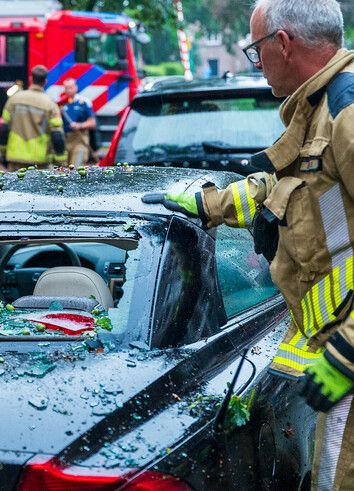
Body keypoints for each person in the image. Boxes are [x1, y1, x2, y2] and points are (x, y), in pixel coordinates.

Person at [146, 1, 353, 488]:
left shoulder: (347, 112)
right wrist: (207, 204)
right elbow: (281, 189)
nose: (255, 65)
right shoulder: (317, 110)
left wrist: (347, 353)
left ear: (283, 43)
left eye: (257, 50)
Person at [0, 65, 66, 171]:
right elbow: (57, 136)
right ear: (45, 81)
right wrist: (60, 161)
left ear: (31, 79)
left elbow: (3, 130)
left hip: (15, 159)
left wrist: (4, 154)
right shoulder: (51, 105)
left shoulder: (14, 100)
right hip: (39, 162)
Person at [58, 78, 96, 167]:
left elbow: (92, 122)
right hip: (65, 140)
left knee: (76, 168)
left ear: (76, 87)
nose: (68, 90)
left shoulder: (84, 102)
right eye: (66, 88)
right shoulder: (62, 103)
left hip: (80, 139)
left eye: (70, 87)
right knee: (63, 169)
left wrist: (79, 125)